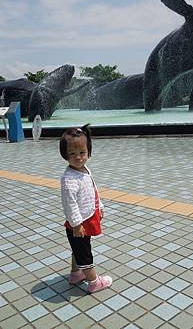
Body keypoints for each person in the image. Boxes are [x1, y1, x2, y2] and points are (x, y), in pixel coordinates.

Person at [60, 124, 112, 294]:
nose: (78, 157)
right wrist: (76, 224)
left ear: (88, 151)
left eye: (82, 153)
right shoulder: (69, 179)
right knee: (85, 252)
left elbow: (93, 190)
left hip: (86, 218)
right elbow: (70, 204)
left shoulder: (84, 170)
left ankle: (76, 274)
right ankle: (94, 282)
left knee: (79, 249)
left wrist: (100, 207)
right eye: (72, 154)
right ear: (65, 155)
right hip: (79, 223)